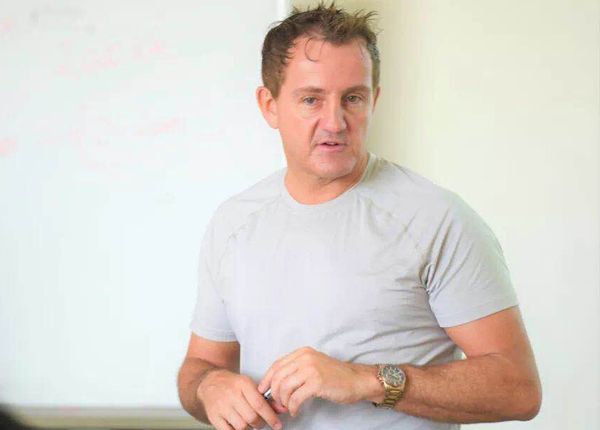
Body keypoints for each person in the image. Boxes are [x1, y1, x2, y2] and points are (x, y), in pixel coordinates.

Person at [177, 2, 542, 429]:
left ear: (374, 100)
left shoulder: (437, 220)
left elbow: (518, 390)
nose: (335, 122)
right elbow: (199, 367)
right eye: (311, 99)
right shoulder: (232, 223)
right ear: (269, 105)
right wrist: (209, 386)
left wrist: (368, 381)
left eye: (353, 98)